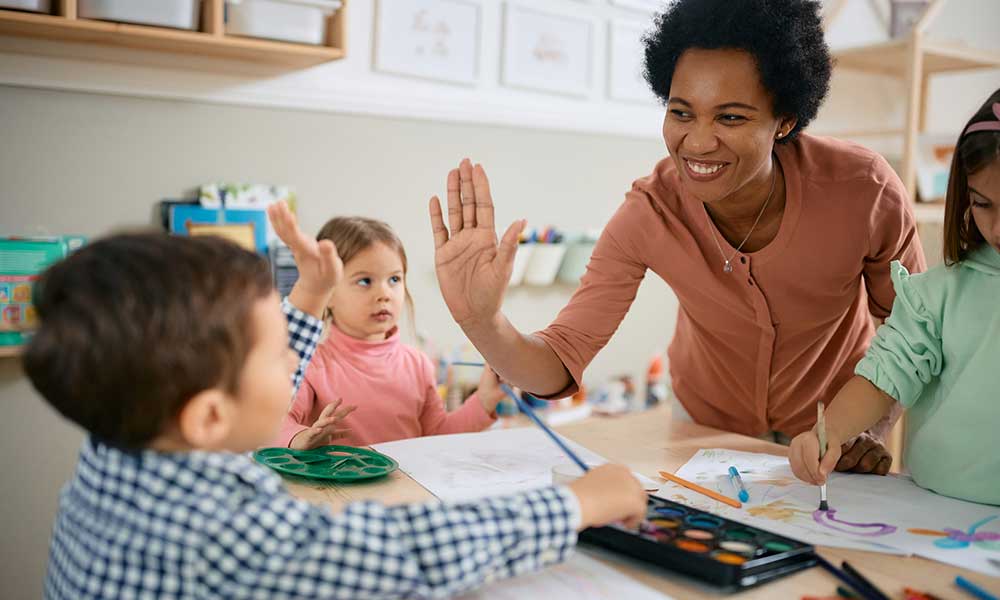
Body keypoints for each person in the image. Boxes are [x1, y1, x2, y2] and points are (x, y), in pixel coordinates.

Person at [29, 203, 648, 599]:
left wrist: (307, 297)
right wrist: (572, 504)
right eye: (279, 354)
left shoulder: (118, 450)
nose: (296, 359)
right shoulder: (218, 533)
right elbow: (409, 552)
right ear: (210, 416)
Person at [428, 0, 925, 473]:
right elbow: (558, 363)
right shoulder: (651, 211)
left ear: (785, 121)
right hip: (705, 432)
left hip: (833, 435)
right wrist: (483, 320)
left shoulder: (863, 191)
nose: (699, 141)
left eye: (731, 117)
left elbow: (914, 332)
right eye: (682, 112)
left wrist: (868, 429)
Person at [788, 89, 1000, 505]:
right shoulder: (936, 295)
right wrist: (825, 435)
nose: (998, 228)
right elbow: (883, 378)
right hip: (934, 512)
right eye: (983, 204)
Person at [275, 216, 504, 449]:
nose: (384, 293)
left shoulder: (418, 364)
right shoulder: (309, 364)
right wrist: (300, 437)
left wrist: (484, 400)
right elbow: (276, 422)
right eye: (365, 281)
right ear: (328, 293)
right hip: (341, 487)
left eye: (394, 279)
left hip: (408, 486)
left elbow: (437, 436)